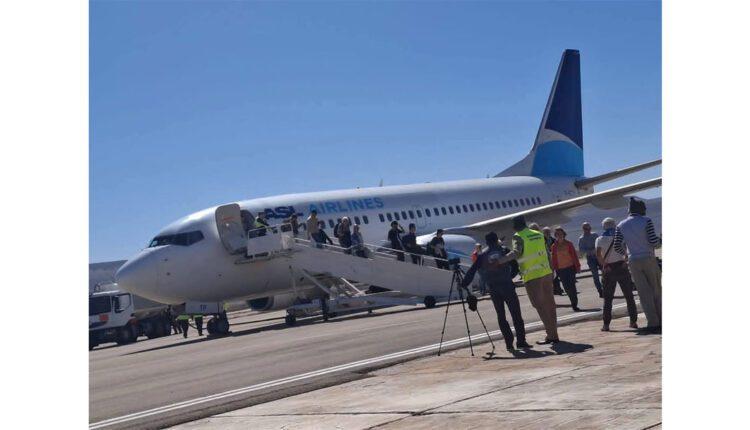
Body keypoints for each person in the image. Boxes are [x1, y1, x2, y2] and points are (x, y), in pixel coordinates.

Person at [491, 215, 559, 344]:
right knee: (550, 304)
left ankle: (551, 335)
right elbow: (547, 253)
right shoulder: (538, 234)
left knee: (539, 305)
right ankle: (554, 333)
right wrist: (552, 270)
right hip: (546, 272)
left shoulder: (518, 236)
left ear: (515, 226)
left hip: (532, 275)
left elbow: (516, 252)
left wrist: (500, 261)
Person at [462, 232, 531, 351]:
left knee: (501, 316)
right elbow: (515, 266)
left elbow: (472, 270)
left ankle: (509, 343)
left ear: (487, 242)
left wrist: (464, 284)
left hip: (493, 287)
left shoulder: (482, 255)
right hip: (507, 285)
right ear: (496, 240)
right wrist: (510, 276)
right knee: (516, 314)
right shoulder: (504, 250)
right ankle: (521, 341)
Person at [614, 197, 661, 333]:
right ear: (641, 209)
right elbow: (653, 241)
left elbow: (617, 246)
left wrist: (626, 254)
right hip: (648, 257)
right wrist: (660, 241)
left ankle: (652, 322)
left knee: (643, 293)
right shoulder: (646, 221)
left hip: (633, 260)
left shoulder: (621, 225)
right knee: (656, 290)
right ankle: (662, 319)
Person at [596, 217, 638, 331]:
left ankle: (606, 324)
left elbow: (598, 255)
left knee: (608, 298)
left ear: (603, 226)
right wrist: (625, 261)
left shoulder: (600, 239)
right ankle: (633, 322)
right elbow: (628, 250)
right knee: (629, 296)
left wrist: (604, 265)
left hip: (609, 268)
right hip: (621, 266)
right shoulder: (620, 236)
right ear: (614, 225)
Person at [551, 227, 581, 311]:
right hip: (560, 270)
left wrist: (578, 266)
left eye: (561, 234)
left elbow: (574, 256)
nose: (559, 235)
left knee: (572, 286)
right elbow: (553, 259)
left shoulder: (569, 244)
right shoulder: (554, 246)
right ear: (555, 235)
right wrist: (553, 269)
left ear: (564, 234)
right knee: (566, 287)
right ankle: (572, 300)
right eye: (557, 234)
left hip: (570, 268)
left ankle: (574, 304)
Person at [578, 222, 603, 297]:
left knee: (605, 272)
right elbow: (581, 250)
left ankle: (605, 288)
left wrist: (596, 250)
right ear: (583, 229)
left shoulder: (595, 235)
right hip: (590, 258)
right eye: (586, 228)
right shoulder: (581, 239)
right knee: (595, 276)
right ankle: (600, 291)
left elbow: (600, 244)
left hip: (598, 256)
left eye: (589, 228)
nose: (588, 230)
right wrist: (590, 251)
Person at [543, 227, 564, 296]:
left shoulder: (554, 240)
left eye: (548, 232)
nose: (547, 233)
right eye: (546, 232)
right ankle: (554, 289)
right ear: (543, 233)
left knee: (555, 275)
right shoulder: (541, 240)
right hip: (545, 260)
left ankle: (558, 289)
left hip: (553, 259)